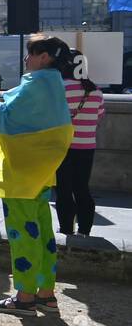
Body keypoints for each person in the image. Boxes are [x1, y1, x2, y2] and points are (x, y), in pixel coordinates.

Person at [0, 35, 73, 316]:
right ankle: (46, 294)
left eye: (31, 54)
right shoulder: (54, 84)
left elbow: (5, 117)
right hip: (42, 172)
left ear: (44, 57)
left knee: (23, 234)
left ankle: (24, 297)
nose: (26, 59)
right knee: (42, 232)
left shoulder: (35, 83)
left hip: (22, 172)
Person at [55, 56, 105, 237]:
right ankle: (85, 229)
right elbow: (99, 117)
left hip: (64, 147)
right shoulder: (96, 91)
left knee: (63, 190)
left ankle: (67, 228)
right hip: (87, 147)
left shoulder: (61, 88)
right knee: (82, 188)